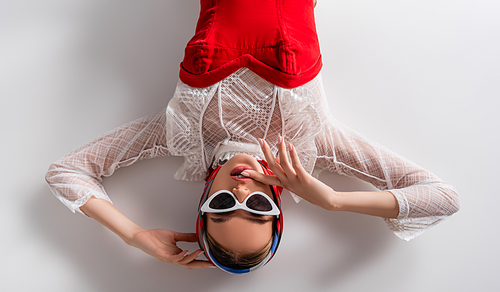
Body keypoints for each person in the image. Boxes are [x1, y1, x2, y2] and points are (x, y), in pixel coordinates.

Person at [45, 0, 460, 274]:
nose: (241, 190)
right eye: (258, 206)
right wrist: (331, 200)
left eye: (222, 205)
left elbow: (66, 172)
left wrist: (134, 235)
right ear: (277, 206)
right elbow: (443, 198)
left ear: (204, 200)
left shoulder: (181, 134)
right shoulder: (314, 142)